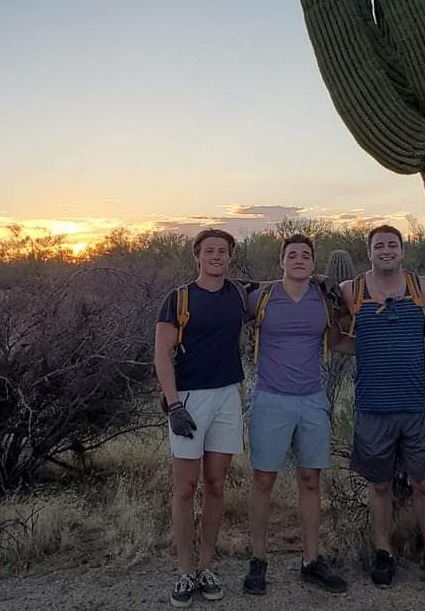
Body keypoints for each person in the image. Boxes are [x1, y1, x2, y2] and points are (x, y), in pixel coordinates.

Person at [339, 225, 425, 588]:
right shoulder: (350, 291)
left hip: (416, 404)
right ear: (368, 251)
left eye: (393, 245)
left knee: (423, 483)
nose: (386, 250)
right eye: (379, 245)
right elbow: (334, 336)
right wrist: (371, 349)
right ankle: (383, 552)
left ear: (402, 251)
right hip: (372, 405)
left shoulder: (423, 288)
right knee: (380, 485)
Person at [241, 234, 350, 596]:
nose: (299, 259)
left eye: (306, 255)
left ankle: (311, 561)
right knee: (263, 481)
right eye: (292, 255)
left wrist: (384, 342)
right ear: (281, 261)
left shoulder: (324, 297)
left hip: (312, 399)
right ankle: (258, 561)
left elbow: (336, 340)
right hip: (270, 399)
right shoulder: (262, 297)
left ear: (314, 262)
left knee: (309, 481)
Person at [154, 228, 254, 608]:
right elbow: (162, 354)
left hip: (228, 394)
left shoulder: (239, 295)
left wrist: (324, 280)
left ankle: (207, 566)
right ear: (197, 256)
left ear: (230, 256)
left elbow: (279, 286)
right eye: (209, 250)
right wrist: (174, 403)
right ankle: (184, 571)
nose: (216, 256)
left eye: (223, 251)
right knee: (185, 487)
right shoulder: (178, 299)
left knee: (215, 484)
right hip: (190, 398)